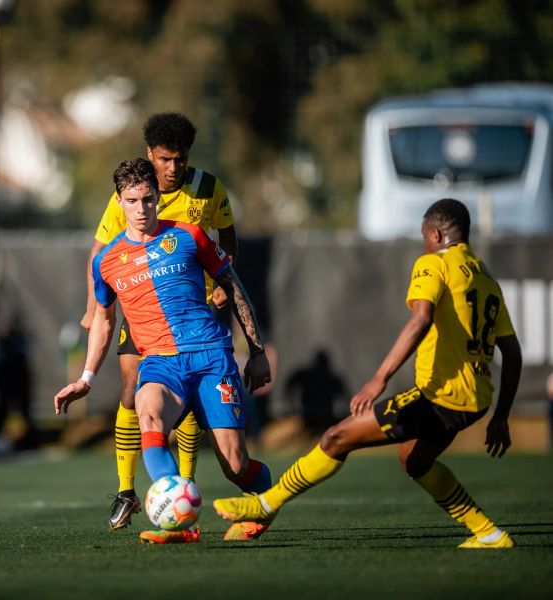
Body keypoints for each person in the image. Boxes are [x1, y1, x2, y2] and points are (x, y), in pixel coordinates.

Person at [213, 198, 523, 550]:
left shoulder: (435, 263)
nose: (423, 243)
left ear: (436, 234)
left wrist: (380, 378)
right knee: (414, 458)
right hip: (476, 401)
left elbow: (420, 320)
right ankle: (489, 533)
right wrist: (500, 415)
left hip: (441, 396)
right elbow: (512, 352)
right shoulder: (484, 277)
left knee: (336, 438)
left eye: (424, 236)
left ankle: (264, 504)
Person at [56, 158, 272, 544]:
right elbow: (104, 321)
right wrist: (86, 378)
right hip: (159, 363)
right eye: (132, 200)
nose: (141, 209)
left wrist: (256, 351)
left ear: (157, 198)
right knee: (149, 416)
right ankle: (180, 522)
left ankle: (268, 499)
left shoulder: (190, 236)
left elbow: (233, 286)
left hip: (210, 358)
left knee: (236, 467)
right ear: (118, 202)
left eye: (148, 199)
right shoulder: (105, 263)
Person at [80, 112, 238, 530]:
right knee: (133, 390)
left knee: (188, 409)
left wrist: (226, 280)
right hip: (143, 310)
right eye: (165, 159)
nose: (173, 168)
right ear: (150, 155)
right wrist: (94, 309)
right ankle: (126, 490)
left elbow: (227, 234)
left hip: (197, 313)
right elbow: (101, 251)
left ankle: (184, 486)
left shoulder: (207, 187)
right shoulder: (134, 193)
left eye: (180, 159)